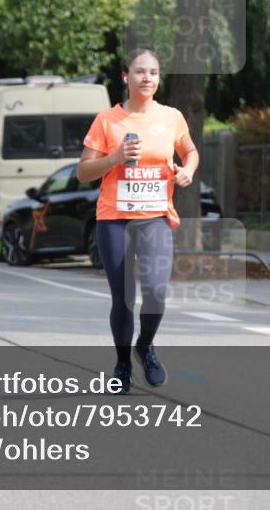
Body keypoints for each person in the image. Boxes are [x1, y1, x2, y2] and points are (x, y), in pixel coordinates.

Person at [77, 49, 199, 393]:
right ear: (125, 77)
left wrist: (187, 170)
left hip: (155, 217)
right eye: (140, 72)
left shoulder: (172, 117)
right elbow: (83, 172)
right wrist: (114, 158)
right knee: (124, 297)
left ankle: (144, 345)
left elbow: (190, 151)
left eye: (154, 72)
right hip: (114, 218)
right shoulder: (107, 121)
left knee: (157, 292)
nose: (148, 78)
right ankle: (121, 364)